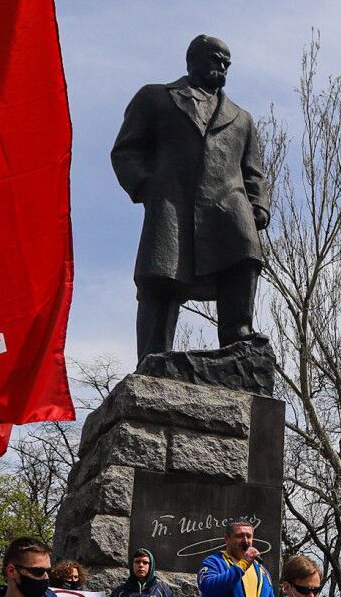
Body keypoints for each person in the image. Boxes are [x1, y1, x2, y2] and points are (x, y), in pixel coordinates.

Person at [111, 34, 271, 359]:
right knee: (161, 278)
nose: (221, 67)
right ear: (192, 60)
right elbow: (126, 151)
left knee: (244, 261)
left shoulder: (241, 119)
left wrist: (258, 207)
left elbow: (253, 171)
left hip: (230, 208)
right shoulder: (155, 98)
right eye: (215, 59)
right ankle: (153, 358)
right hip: (172, 205)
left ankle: (237, 343)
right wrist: (147, 187)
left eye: (227, 64)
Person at [197, 520, 276, 597]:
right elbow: (209, 590)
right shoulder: (214, 562)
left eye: (249, 536)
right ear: (227, 539)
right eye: (239, 536)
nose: (245, 541)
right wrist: (242, 565)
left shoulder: (262, 571)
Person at [105, 549, 178, 597]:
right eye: (137, 562)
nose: (141, 565)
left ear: (151, 566)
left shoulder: (164, 593)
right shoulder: (119, 592)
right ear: (132, 565)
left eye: (145, 562)